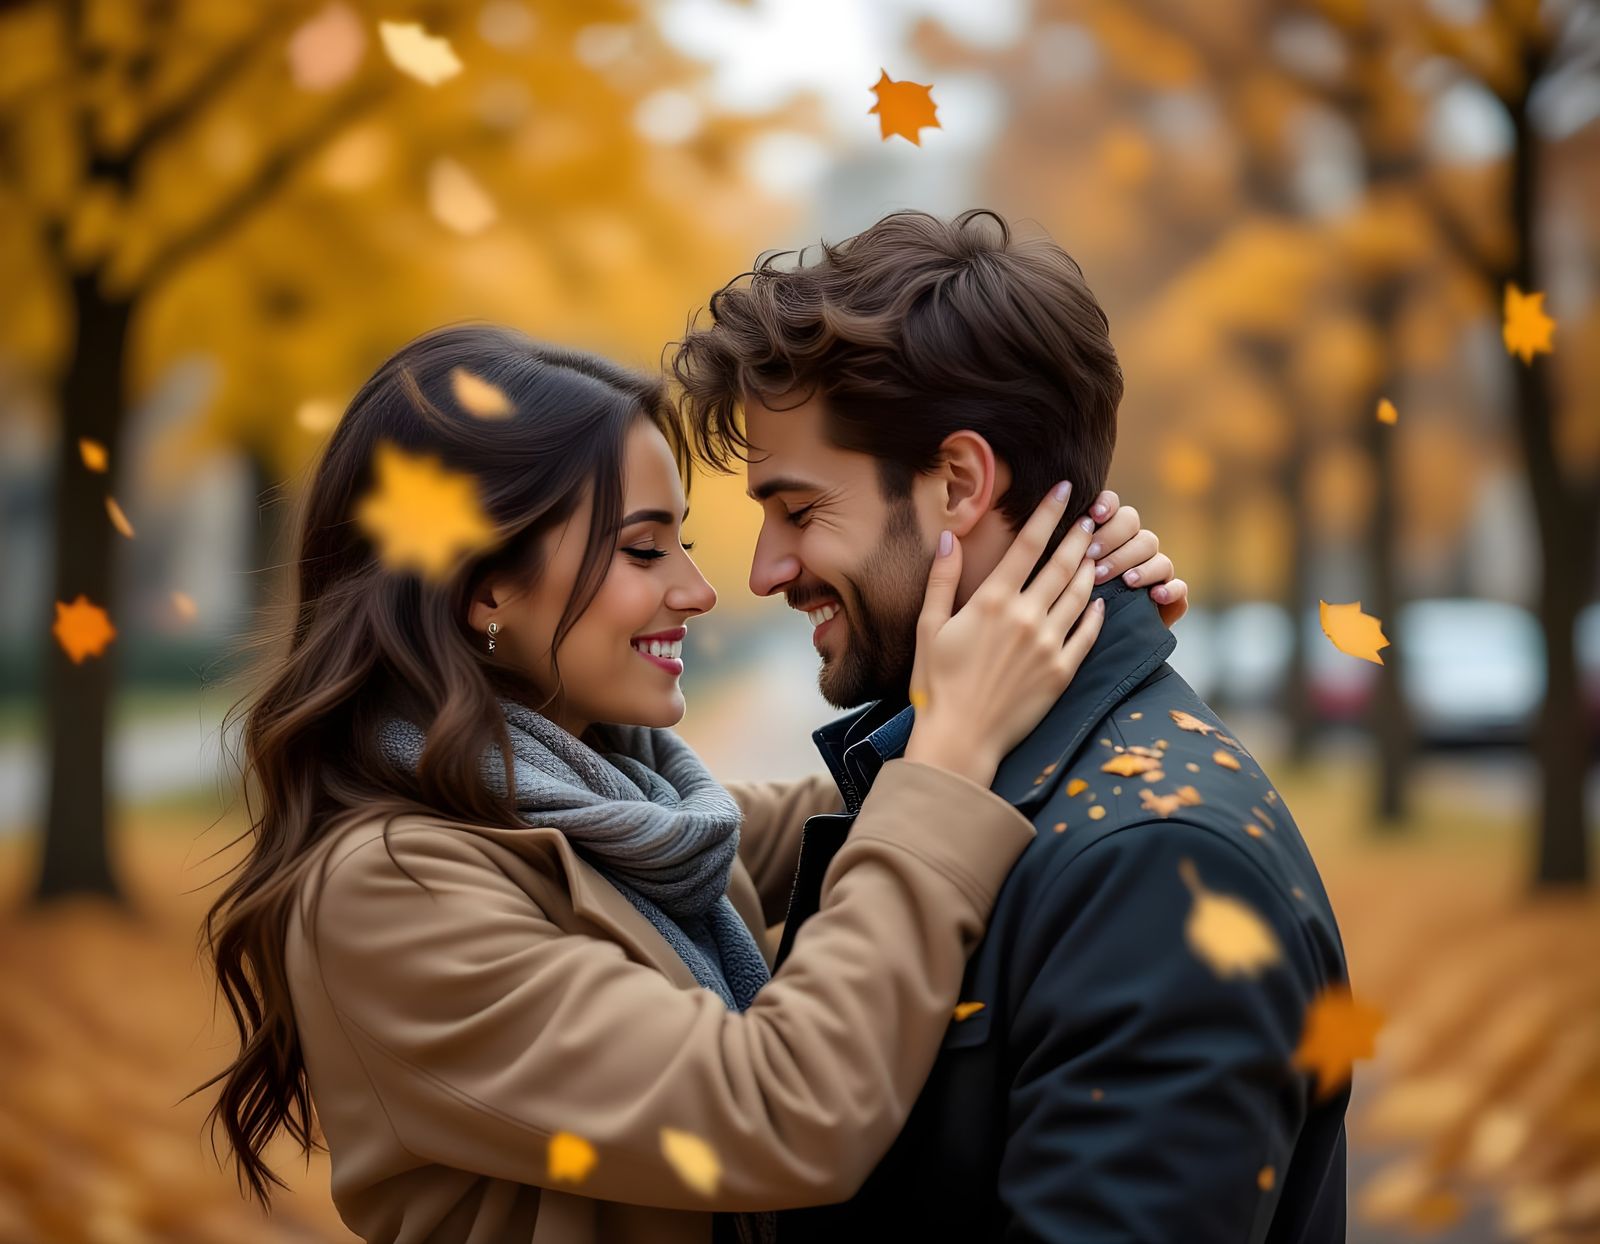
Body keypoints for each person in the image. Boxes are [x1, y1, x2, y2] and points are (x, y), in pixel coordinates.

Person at [194, 322, 1186, 1244]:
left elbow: (861, 812)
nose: (699, 590)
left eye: (684, 542)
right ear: (484, 587)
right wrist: (953, 742)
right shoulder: (390, 889)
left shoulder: (626, 817)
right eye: (641, 549)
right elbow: (781, 1110)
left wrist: (1046, 609)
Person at [671, 208, 1351, 1243]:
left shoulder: (1159, 869)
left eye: (800, 510)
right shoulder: (966, 777)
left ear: (958, 484)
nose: (763, 570)